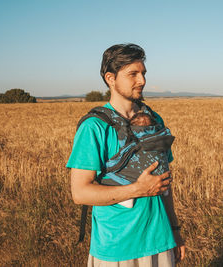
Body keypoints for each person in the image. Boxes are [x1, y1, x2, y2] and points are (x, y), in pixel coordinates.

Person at [67, 43, 185, 266]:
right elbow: (80, 193)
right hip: (116, 248)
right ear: (110, 78)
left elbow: (165, 183)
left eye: (143, 73)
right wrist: (138, 189)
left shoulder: (154, 120)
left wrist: (174, 230)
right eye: (133, 74)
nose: (142, 80)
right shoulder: (94, 127)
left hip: (159, 240)